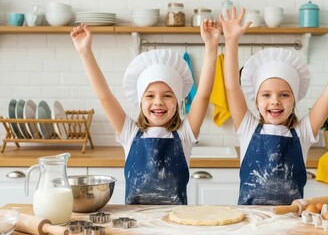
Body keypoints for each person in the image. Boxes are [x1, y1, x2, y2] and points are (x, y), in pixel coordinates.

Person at [220, 7, 328, 205]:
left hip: (291, 222)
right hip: (252, 223)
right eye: (266, 94)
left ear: (295, 99)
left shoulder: (302, 133)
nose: (275, 101)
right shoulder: (247, 128)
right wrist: (231, 41)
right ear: (256, 100)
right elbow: (232, 87)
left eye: (284, 94)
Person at [70, 19, 221, 205]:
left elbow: (203, 95)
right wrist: (85, 52)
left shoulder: (185, 135)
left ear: (178, 101)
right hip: (135, 225)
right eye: (150, 96)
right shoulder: (129, 133)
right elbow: (105, 97)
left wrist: (211, 46)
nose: (158, 102)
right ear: (140, 101)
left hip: (174, 224)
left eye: (167, 95)